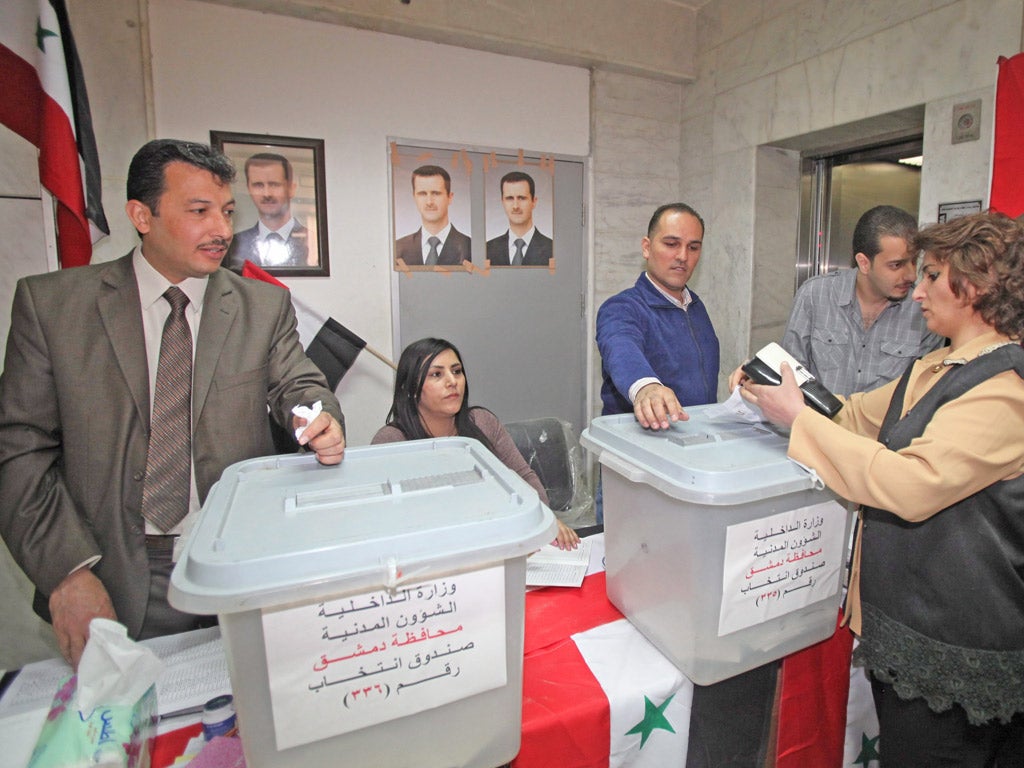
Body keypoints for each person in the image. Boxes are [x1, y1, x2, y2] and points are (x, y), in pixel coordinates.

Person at [0, 139, 346, 670]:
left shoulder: (261, 306)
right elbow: (19, 451)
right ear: (142, 215)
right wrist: (67, 572)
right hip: (106, 575)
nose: (222, 231)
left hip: (236, 570)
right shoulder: (52, 308)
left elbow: (297, 386)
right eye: (199, 211)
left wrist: (315, 415)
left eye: (228, 212)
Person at [735, 211, 1024, 766]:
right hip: (908, 636)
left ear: (979, 283)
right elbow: (849, 415)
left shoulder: (1004, 388)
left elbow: (911, 483)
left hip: (957, 653)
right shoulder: (934, 366)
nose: (916, 292)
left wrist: (798, 419)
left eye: (932, 276)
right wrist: (775, 383)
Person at [372, 338, 579, 551]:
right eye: (436, 374)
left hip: (499, 539)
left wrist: (542, 517)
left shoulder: (481, 421)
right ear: (411, 389)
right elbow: (384, 523)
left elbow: (524, 478)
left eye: (457, 371)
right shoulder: (391, 441)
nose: (452, 381)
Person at [782, 205, 943, 395]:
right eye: (896, 265)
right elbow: (789, 375)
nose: (910, 275)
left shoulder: (924, 310)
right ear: (864, 263)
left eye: (914, 261)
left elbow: (923, 393)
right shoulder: (815, 295)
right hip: (815, 421)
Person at [596, 202, 720, 430]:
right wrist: (646, 387)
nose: (683, 256)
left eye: (693, 247)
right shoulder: (622, 307)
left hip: (694, 440)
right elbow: (621, 347)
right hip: (638, 448)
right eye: (672, 244)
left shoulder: (695, 307)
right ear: (646, 247)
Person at [224, 152, 310, 271]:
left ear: (291, 189)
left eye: (274, 185)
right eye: (258, 185)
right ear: (249, 188)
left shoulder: (311, 240)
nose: (267, 194)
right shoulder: (233, 244)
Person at [394, 165, 471, 267]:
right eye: (422, 194)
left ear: (450, 197)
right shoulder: (397, 248)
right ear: (414, 197)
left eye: (436, 193)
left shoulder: (471, 248)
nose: (429, 202)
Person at [485, 171, 553, 266]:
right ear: (502, 202)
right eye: (509, 198)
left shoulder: (553, 250)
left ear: (534, 202)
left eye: (521, 198)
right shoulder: (487, 250)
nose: (515, 206)